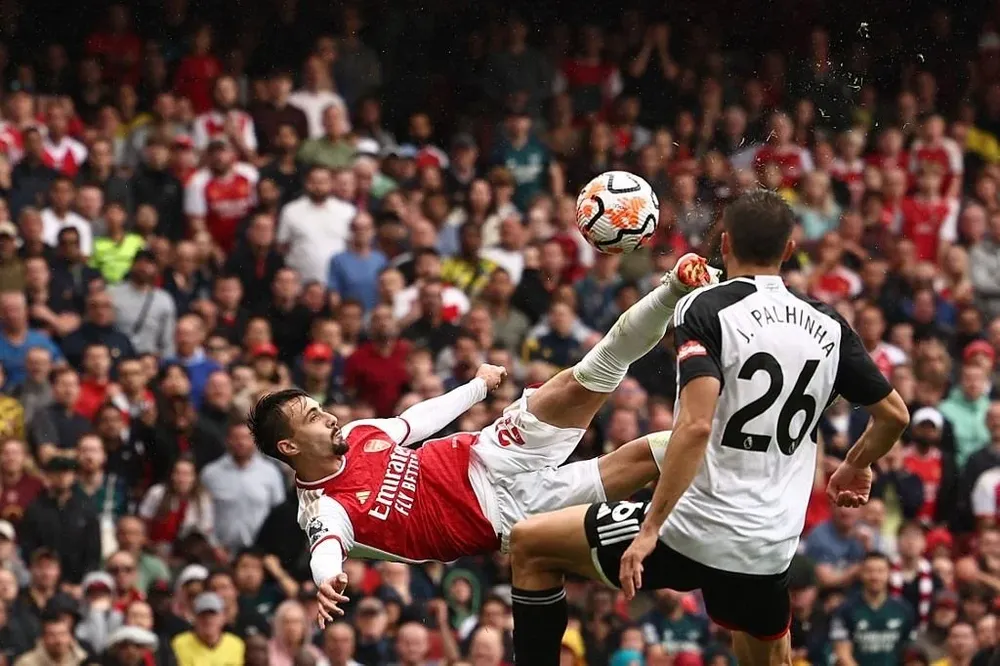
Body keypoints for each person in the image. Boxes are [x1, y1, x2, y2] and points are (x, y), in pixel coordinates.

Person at [505, 190, 911, 665]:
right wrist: (856, 464)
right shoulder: (829, 323)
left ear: (725, 242)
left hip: (692, 529)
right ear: (789, 249)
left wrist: (651, 526)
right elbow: (894, 415)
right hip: (769, 547)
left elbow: (695, 426)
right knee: (767, 651)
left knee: (530, 545)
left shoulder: (705, 308)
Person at [247, 252, 719, 625]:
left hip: (488, 451)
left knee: (588, 374)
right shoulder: (324, 507)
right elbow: (326, 545)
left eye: (318, 408)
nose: (328, 416)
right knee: (646, 455)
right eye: (312, 417)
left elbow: (416, 421)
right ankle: (731, 446)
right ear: (289, 447)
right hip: (509, 515)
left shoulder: (356, 434)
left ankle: (675, 288)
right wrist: (327, 580)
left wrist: (475, 387)